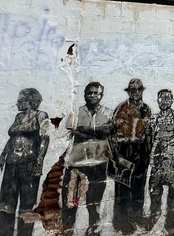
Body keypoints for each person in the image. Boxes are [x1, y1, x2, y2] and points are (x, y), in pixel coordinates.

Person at [0, 88, 50, 236]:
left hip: (29, 164)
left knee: (26, 205)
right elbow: (12, 139)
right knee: (6, 204)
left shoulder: (41, 115)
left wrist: (39, 163)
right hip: (11, 163)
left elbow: (44, 140)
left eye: (21, 100)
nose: (17, 102)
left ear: (32, 101)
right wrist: (2, 157)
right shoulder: (18, 117)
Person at [62, 82, 111, 236]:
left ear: (101, 95)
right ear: (84, 95)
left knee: (94, 202)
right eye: (89, 93)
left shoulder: (109, 113)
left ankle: (93, 230)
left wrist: (83, 131)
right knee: (71, 201)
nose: (93, 96)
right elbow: (71, 132)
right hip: (76, 163)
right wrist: (96, 132)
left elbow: (107, 133)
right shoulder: (75, 112)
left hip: (99, 163)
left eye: (96, 93)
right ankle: (68, 229)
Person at [110, 78, 152, 234]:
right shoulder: (122, 108)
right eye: (133, 91)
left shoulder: (146, 109)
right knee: (123, 186)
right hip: (124, 148)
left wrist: (148, 151)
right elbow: (113, 133)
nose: (136, 93)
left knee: (139, 184)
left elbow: (148, 131)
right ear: (129, 92)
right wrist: (116, 156)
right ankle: (121, 220)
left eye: (139, 90)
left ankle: (136, 215)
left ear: (142, 91)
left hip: (140, 149)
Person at [146, 90, 174, 234]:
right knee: (154, 189)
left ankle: (170, 224)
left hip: (173, 161)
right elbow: (149, 136)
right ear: (157, 101)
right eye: (161, 99)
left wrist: (169, 141)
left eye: (167, 98)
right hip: (158, 160)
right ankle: (154, 216)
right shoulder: (153, 119)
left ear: (172, 100)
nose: (164, 101)